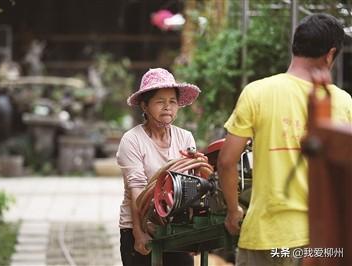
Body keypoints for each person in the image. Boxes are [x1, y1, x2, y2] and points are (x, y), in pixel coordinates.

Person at [217, 13, 352, 266]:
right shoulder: (343, 102)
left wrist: (233, 210)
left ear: (296, 46)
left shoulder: (257, 92)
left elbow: (226, 162)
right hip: (319, 241)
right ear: (330, 54)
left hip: (264, 236)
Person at [116, 68, 200, 266]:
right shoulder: (132, 140)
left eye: (172, 101)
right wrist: (139, 232)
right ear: (144, 106)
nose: (167, 107)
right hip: (137, 226)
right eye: (160, 101)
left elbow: (193, 181)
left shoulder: (185, 138)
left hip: (175, 226)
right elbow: (136, 189)